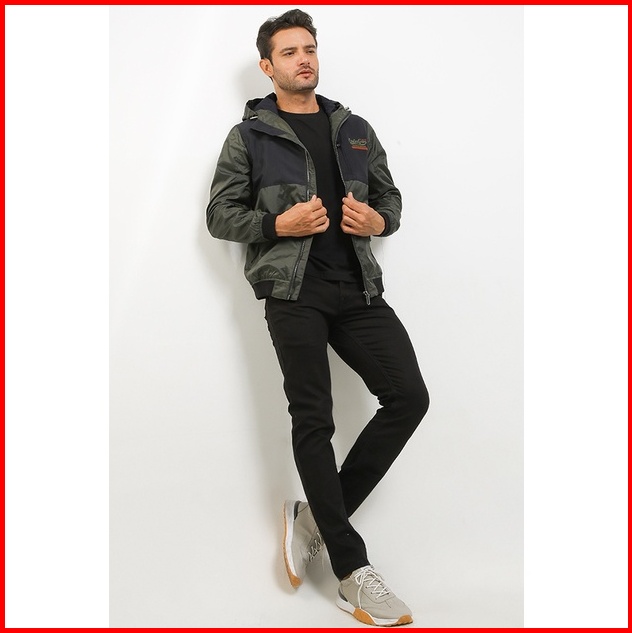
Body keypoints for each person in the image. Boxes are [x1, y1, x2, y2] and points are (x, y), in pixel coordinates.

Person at [206, 9, 429, 627]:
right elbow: (220, 215)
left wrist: (380, 220)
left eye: (309, 48)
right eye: (289, 52)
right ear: (267, 66)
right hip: (292, 291)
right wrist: (277, 223)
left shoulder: (353, 128)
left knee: (409, 397)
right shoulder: (249, 137)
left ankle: (314, 520)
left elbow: (389, 198)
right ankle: (353, 572)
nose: (303, 59)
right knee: (315, 419)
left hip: (357, 288)